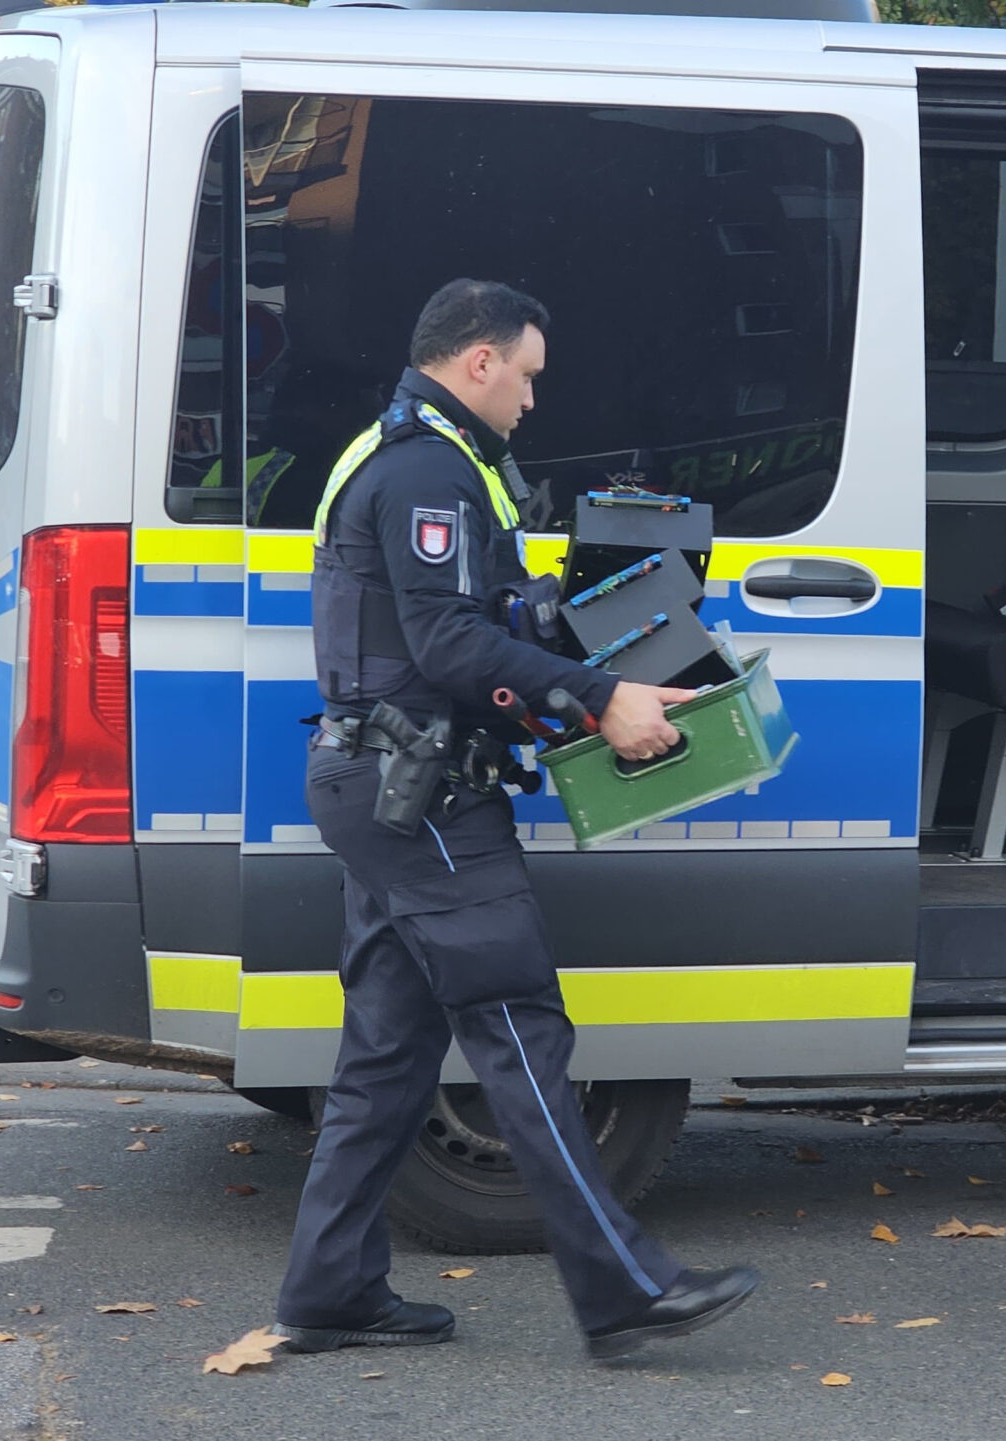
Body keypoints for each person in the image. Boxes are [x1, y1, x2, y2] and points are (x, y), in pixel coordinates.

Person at [272, 278, 758, 1363]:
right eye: (528, 375)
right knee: (518, 1029)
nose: (534, 399)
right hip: (423, 795)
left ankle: (329, 1290)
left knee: (389, 1055)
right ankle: (626, 1286)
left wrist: (586, 616)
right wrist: (595, 697)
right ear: (480, 360)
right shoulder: (429, 470)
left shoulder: (414, 457)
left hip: (387, 787)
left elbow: (467, 621)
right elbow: (444, 647)